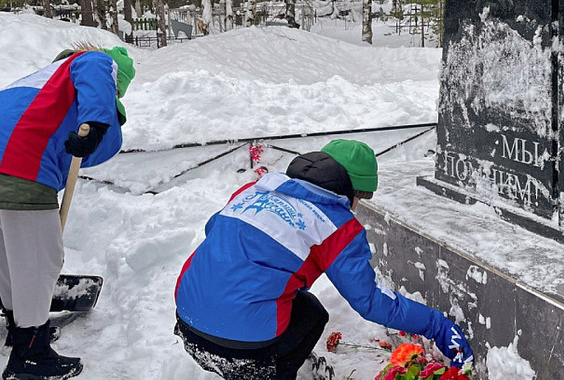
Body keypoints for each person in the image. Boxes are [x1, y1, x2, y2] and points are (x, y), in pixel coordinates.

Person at [174, 139, 474, 380]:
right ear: (347, 189)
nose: (357, 205)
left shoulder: (255, 189)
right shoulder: (336, 225)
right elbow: (370, 302)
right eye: (362, 196)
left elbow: (214, 229)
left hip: (187, 322)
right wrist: (435, 324)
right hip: (241, 348)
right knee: (313, 314)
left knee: (296, 304)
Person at [0, 45, 135, 380]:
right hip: (19, 166)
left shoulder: (40, 85)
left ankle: (22, 330)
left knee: (8, 257)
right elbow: (95, 72)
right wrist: (97, 120)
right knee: (38, 261)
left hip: (9, 160)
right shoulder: (95, 60)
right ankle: (31, 353)